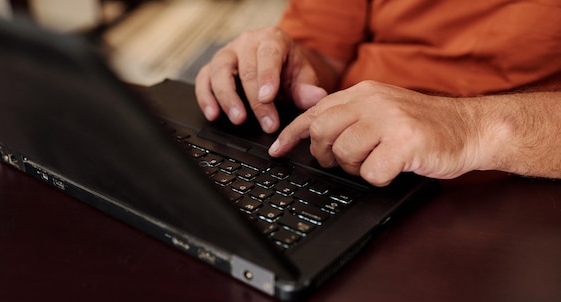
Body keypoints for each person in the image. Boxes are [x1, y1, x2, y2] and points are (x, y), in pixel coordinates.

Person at [195, 0, 561, 186]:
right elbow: (323, 49)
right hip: (336, 155)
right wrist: (287, 66)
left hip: (508, 189)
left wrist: (470, 128)